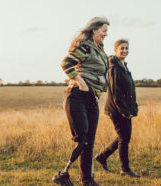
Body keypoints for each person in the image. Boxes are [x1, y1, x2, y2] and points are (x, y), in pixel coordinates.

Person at [52, 17, 109, 186]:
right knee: (82, 139)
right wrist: (81, 82)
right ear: (94, 30)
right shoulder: (85, 46)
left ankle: (87, 180)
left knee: (89, 143)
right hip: (77, 96)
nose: (106, 34)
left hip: (92, 98)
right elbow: (66, 63)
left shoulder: (99, 49)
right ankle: (62, 176)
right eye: (104, 31)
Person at [95, 39, 140, 177]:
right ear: (115, 50)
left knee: (124, 137)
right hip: (116, 109)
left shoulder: (123, 65)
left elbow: (129, 89)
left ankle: (103, 156)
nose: (125, 51)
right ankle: (125, 169)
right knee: (124, 137)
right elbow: (115, 92)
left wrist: (133, 107)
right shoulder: (114, 67)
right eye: (122, 48)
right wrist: (124, 111)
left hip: (124, 108)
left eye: (126, 48)